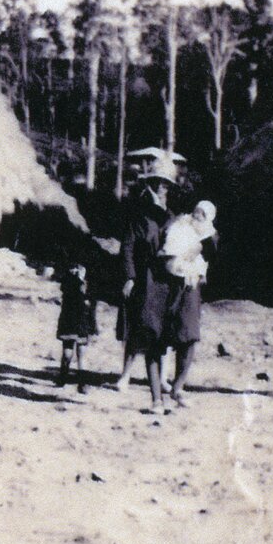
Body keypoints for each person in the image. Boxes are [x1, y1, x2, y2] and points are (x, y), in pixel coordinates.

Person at [117, 153, 177, 418]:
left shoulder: (172, 217)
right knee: (150, 339)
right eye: (158, 183)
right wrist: (129, 277)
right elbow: (127, 247)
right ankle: (156, 399)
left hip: (169, 287)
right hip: (147, 284)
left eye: (166, 184)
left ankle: (161, 395)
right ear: (149, 184)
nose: (162, 188)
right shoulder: (138, 215)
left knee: (162, 341)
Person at [159, 199, 217, 407]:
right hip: (172, 284)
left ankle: (178, 386)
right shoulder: (179, 228)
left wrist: (197, 270)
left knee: (189, 336)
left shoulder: (209, 237)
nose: (197, 216)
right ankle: (160, 382)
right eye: (196, 212)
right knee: (165, 335)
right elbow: (170, 257)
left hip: (191, 288)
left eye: (203, 214)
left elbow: (205, 261)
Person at [55, 253, 98, 394]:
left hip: (83, 321)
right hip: (69, 320)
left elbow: (92, 305)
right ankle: (63, 374)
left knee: (82, 352)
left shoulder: (90, 283)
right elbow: (65, 289)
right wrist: (76, 278)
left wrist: (93, 325)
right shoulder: (69, 280)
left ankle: (82, 381)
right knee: (67, 353)